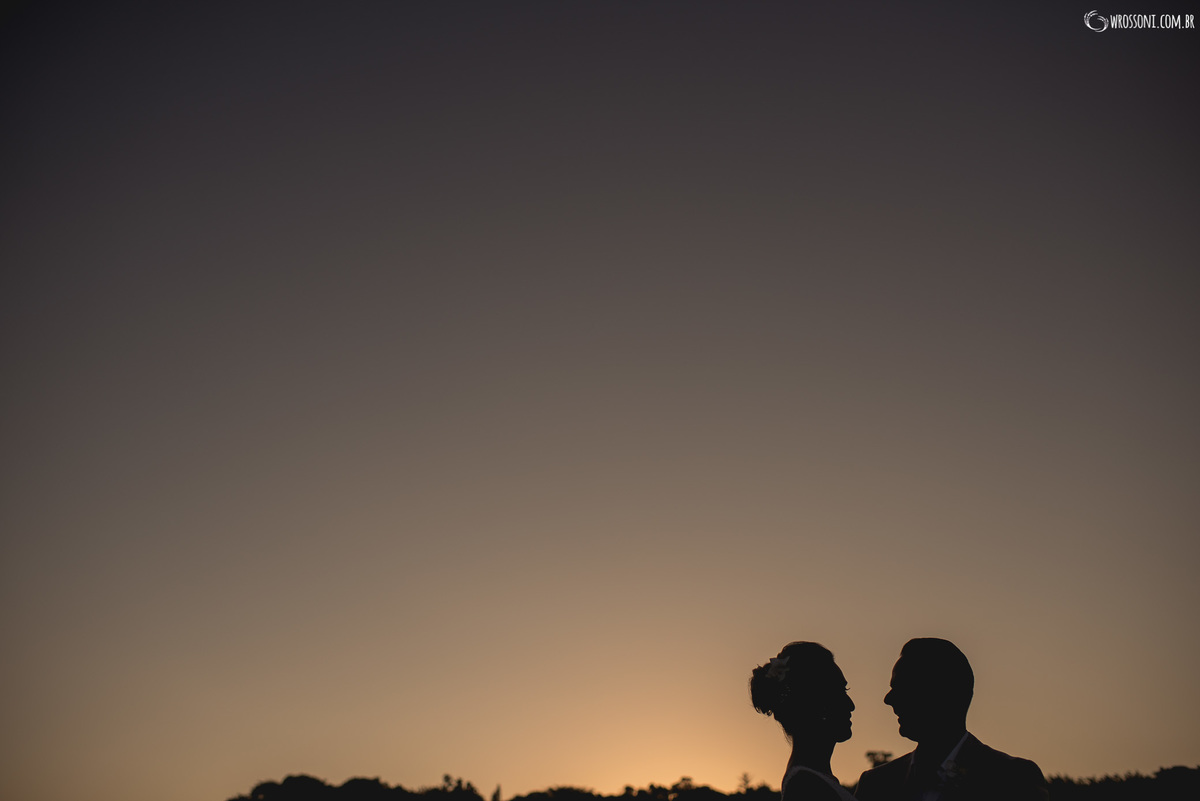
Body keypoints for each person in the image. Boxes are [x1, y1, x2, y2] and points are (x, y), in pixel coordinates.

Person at [854, 638, 1048, 801]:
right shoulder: (875, 784)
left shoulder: (1013, 778)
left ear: (947, 694)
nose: (888, 699)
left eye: (904, 686)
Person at [751, 642, 857, 801]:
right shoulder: (806, 787)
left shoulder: (814, 780)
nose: (851, 705)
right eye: (838, 692)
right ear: (813, 702)